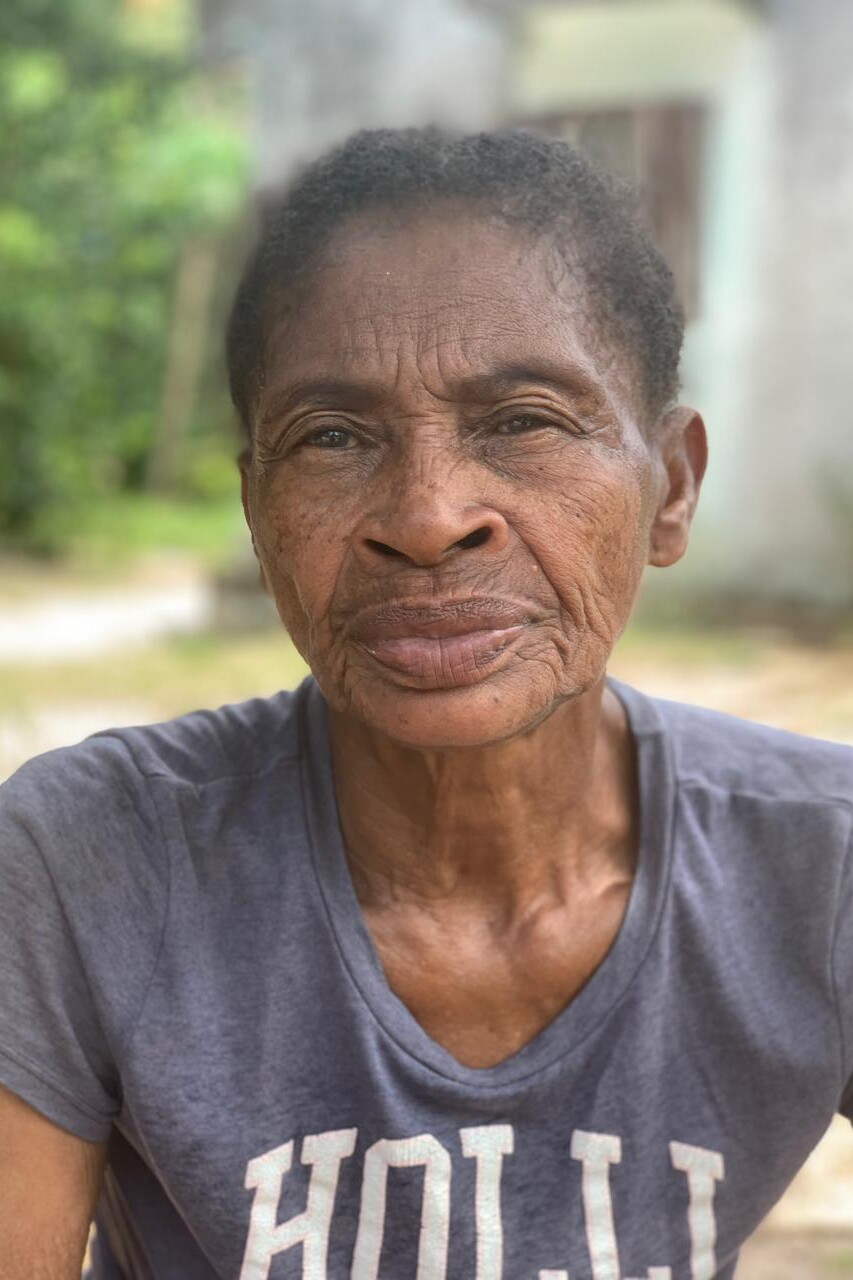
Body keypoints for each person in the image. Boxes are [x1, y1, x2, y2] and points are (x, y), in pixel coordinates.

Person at [0, 127, 851, 1280]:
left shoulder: (820, 862)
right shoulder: (88, 859)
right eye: (334, 436)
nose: (428, 513)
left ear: (672, 488)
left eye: (524, 420)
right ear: (258, 519)